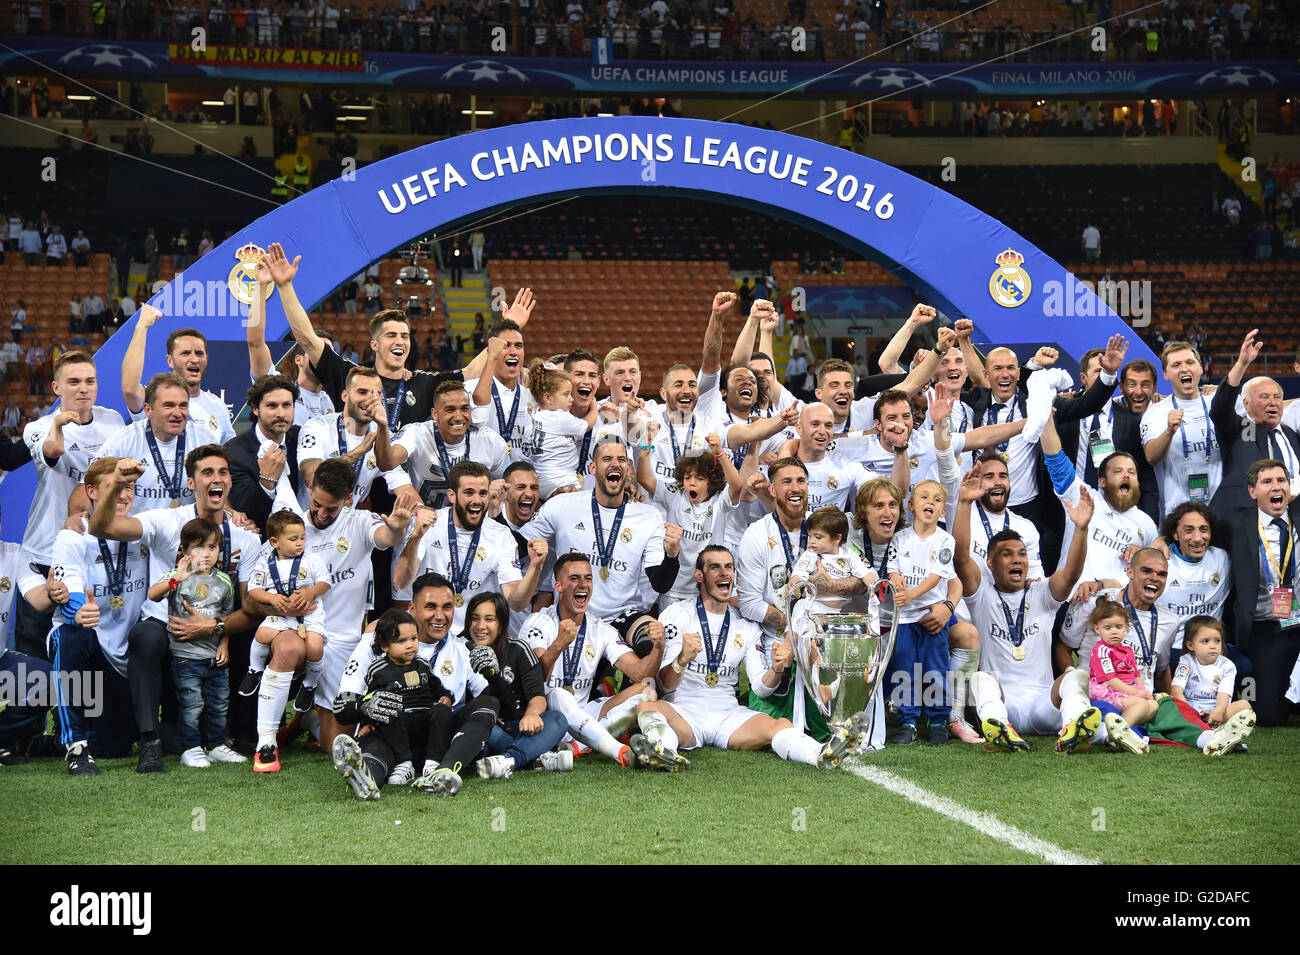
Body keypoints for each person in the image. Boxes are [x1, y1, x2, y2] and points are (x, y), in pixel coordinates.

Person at [88, 446, 261, 771]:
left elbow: (250, 609)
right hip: (164, 625)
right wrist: (115, 485)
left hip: (212, 630)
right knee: (144, 637)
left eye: (223, 472)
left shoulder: (245, 539)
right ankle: (149, 741)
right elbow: (102, 527)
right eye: (207, 472)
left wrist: (214, 627)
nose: (217, 478)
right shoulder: (165, 520)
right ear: (191, 482)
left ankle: (235, 735)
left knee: (250, 637)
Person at [630, 545, 866, 772]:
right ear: (699, 576)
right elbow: (664, 684)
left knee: (780, 725)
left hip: (729, 716)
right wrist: (682, 660)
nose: (724, 573)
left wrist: (776, 670)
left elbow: (760, 688)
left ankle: (821, 755)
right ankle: (664, 752)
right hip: (685, 712)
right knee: (648, 706)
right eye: (715, 567)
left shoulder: (746, 627)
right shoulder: (677, 615)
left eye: (729, 567)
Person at [950, 460, 1100, 754]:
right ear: (991, 563)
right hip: (1007, 704)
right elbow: (961, 558)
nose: (1017, 560)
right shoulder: (981, 594)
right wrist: (965, 504)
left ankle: (1073, 727)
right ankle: (999, 729)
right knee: (981, 679)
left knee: (1075, 677)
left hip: (1044, 703)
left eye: (1021, 554)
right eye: (1007, 555)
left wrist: (1081, 529)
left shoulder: (1042, 593)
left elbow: (1071, 573)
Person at [332, 574, 502, 797]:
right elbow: (343, 706)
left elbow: (495, 707)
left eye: (447, 607)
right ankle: (365, 779)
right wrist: (366, 705)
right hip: (391, 733)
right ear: (412, 608)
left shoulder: (463, 648)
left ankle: (444, 772)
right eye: (431, 606)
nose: (440, 616)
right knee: (376, 750)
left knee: (489, 703)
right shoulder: (374, 643)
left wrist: (495, 676)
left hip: (439, 739)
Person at [17, 352, 124, 658]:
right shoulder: (38, 427)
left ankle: (82, 703)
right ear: (56, 388)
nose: (83, 388)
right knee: (32, 652)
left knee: (82, 643)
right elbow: (52, 451)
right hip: (43, 552)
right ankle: (31, 706)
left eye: (90, 381)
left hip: (89, 551)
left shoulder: (113, 421)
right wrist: (61, 424)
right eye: (73, 382)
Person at [47, 458, 151, 775]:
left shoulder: (144, 533)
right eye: (114, 487)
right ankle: (75, 747)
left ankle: (42, 742)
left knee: (113, 747)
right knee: (71, 634)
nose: (123, 495)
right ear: (91, 492)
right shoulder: (73, 537)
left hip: (126, 658)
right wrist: (80, 610)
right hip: (91, 646)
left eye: (128, 487)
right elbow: (70, 594)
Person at [521, 553, 659, 767]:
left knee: (647, 690)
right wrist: (559, 644)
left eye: (588, 578)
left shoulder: (600, 629)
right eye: (574, 578)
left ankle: (580, 746)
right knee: (558, 694)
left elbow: (640, 673)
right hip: (548, 716)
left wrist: (659, 647)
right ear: (558, 585)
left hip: (585, 716)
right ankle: (620, 751)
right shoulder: (538, 623)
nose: (583, 584)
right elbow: (535, 677)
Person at [392, 461, 545, 629]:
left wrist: (535, 568)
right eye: (469, 493)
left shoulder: (501, 535)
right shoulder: (429, 525)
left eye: (483, 493)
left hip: (476, 637)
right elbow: (401, 581)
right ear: (452, 495)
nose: (477, 500)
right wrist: (415, 538)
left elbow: (516, 602)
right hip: (429, 632)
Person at [146, 517, 243, 768]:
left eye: (212, 547)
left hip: (215, 657)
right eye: (198, 548)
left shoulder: (224, 581)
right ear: (185, 551)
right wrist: (174, 579)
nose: (206, 554)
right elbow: (152, 594)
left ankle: (216, 745)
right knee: (192, 704)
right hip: (186, 656)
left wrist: (223, 645)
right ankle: (190, 748)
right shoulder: (178, 576)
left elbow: (227, 617)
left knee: (219, 704)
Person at [246, 509, 332, 771]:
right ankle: (266, 742)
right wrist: (274, 601)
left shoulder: (312, 559)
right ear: (275, 542)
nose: (300, 543)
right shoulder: (265, 561)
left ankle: (308, 689)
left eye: (302, 538)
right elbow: (252, 593)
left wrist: (309, 592)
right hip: (280, 619)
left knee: (315, 647)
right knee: (276, 643)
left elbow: (325, 582)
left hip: (312, 620)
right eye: (293, 539)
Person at [466, 591, 573, 778]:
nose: (481, 626)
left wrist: (532, 714)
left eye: (489, 619)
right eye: (475, 619)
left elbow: (538, 697)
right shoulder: (460, 650)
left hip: (523, 728)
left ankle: (509, 760)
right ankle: (536, 758)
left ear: (501, 625)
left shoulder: (518, 649)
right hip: (489, 730)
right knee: (486, 732)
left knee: (557, 720)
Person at [376, 379, 509, 508]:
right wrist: (383, 426)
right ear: (435, 414)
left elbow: (507, 484)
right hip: (427, 524)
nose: (458, 417)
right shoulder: (416, 434)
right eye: (450, 410)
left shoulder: (490, 441)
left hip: (474, 522)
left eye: (464, 409)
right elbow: (387, 463)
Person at [121, 305, 235, 446]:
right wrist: (142, 327)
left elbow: (229, 452)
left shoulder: (217, 405)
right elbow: (129, 389)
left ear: (207, 359)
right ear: (170, 360)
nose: (194, 359)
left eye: (199, 354)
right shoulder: (154, 399)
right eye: (185, 353)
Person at [95, 372, 205, 514]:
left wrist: (230, 510)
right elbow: (89, 484)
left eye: (183, 406)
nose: (178, 413)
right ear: (148, 410)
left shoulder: (204, 439)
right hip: (135, 532)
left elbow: (221, 482)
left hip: (187, 533)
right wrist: (77, 513)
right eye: (169, 406)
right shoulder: (124, 440)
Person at [1141, 341, 1221, 519]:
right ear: (1166, 374)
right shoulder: (1156, 411)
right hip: (1176, 515)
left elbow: (1267, 407)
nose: (1184, 369)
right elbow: (1151, 457)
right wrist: (1169, 431)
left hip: (1222, 511)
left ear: (1200, 368)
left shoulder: (1219, 402)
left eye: (1190, 363)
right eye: (1176, 365)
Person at [1170, 616, 1256, 754]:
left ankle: (1219, 733)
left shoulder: (1227, 665)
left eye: (1217, 641)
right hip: (1190, 709)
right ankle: (1218, 736)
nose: (1213, 645)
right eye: (1205, 641)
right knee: (1166, 704)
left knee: (1245, 706)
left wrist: (1219, 710)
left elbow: (1224, 693)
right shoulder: (1186, 661)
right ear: (1190, 645)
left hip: (1216, 711)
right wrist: (1189, 712)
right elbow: (1176, 690)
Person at [1086, 596, 1158, 754]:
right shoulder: (1102, 650)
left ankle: (1122, 731)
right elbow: (1110, 680)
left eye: (1118, 626)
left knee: (1153, 705)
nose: (1114, 631)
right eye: (1107, 627)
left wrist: (1143, 691)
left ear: (1126, 627)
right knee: (1141, 704)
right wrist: (1137, 693)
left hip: (1127, 691)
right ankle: (1117, 735)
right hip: (1109, 692)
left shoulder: (1127, 650)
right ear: (1097, 629)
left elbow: (1135, 673)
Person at [519, 358, 599, 499]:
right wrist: (594, 407)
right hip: (563, 480)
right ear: (548, 397)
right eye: (566, 394)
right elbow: (585, 426)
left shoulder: (536, 414)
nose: (571, 399)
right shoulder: (559, 417)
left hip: (540, 480)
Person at [785, 505, 875, 615]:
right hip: (811, 609)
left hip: (836, 613)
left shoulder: (849, 555)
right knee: (795, 631)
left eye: (817, 537)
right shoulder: (811, 555)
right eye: (810, 536)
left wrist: (871, 582)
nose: (811, 541)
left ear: (837, 538)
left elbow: (864, 574)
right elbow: (800, 571)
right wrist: (796, 579)